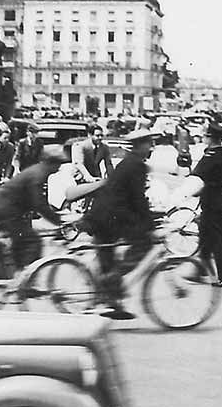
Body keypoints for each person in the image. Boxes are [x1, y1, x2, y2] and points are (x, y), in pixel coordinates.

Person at [64, 135, 161, 320]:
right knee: (143, 244)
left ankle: (113, 303)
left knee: (107, 261)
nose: (151, 148)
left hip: (100, 216)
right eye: (149, 144)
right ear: (140, 145)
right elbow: (138, 199)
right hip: (111, 218)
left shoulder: (127, 162)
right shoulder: (137, 165)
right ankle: (111, 284)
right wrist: (149, 224)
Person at [0, 144, 70, 277]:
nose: (59, 167)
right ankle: (26, 280)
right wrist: (57, 220)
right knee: (33, 242)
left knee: (20, 241)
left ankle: (2, 271)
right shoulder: (38, 174)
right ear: (50, 162)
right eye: (58, 163)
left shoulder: (39, 170)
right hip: (5, 207)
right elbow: (39, 204)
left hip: (3, 205)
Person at [192, 120, 222, 286]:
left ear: (211, 138)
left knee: (219, 240)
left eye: (206, 136)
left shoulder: (211, 156)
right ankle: (199, 270)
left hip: (213, 201)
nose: (204, 138)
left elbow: (197, 175)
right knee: (207, 236)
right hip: (221, 200)